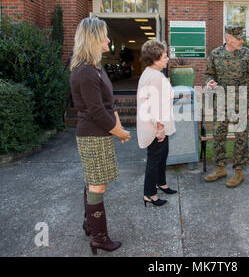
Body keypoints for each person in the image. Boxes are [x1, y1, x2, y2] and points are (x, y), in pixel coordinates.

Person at [69, 17, 131, 255]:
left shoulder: (95, 67)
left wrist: (119, 128)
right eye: (104, 36)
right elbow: (96, 111)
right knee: (97, 184)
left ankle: (89, 224)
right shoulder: (85, 72)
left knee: (93, 181)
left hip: (100, 133)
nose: (108, 40)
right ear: (94, 39)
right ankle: (99, 237)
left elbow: (109, 105)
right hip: (92, 134)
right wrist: (119, 132)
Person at [203, 25, 249, 188]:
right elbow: (208, 74)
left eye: (242, 38)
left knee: (241, 137)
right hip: (221, 101)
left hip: (241, 101)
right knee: (218, 135)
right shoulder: (215, 54)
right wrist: (210, 83)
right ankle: (220, 168)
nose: (242, 41)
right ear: (228, 39)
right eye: (238, 38)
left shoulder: (246, 54)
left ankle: (238, 170)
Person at [137, 40, 176, 207]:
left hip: (158, 125)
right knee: (154, 159)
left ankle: (161, 183)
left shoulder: (149, 73)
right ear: (155, 59)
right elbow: (152, 106)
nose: (167, 59)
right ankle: (149, 194)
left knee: (162, 156)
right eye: (164, 56)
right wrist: (159, 129)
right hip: (156, 127)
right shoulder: (155, 77)